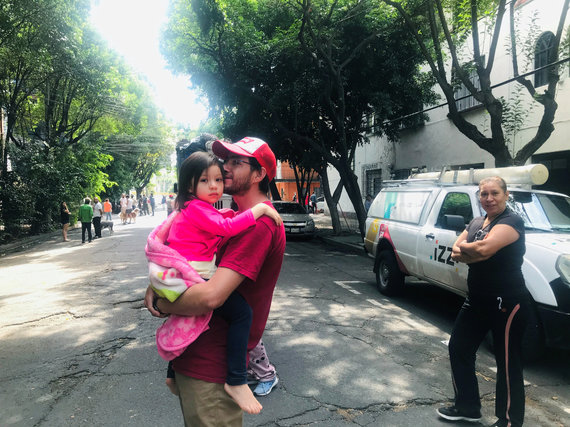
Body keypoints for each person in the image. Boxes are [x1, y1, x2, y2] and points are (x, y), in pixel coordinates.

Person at [145, 136, 286, 426]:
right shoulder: (222, 216)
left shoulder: (258, 224)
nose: (225, 168)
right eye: (225, 161)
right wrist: (159, 283)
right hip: (194, 355)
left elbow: (211, 297)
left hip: (213, 368)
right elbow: (186, 252)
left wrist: (163, 299)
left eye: (237, 162)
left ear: (259, 174)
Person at [437, 176, 529, 427]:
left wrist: (469, 250)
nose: (488, 198)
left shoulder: (511, 221)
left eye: (495, 193)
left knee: (507, 362)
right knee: (458, 347)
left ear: (506, 195)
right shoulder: (477, 221)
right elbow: (455, 249)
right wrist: (470, 250)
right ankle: (467, 407)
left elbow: (485, 249)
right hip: (476, 300)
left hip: (507, 302)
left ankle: (509, 421)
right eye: (483, 194)